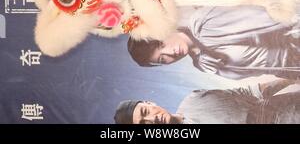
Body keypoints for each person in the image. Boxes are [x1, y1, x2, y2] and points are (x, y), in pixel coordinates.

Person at [127, 5, 300, 80]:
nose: (170, 53)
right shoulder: (202, 64)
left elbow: (274, 19)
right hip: (290, 71)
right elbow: (256, 70)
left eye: (161, 45)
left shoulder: (203, 25)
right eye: (162, 60)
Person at [114, 79, 300, 123]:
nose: (152, 120)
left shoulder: (194, 99)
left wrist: (290, 77)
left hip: (285, 108)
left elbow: (248, 92)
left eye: (145, 112)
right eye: (143, 124)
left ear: (150, 103)